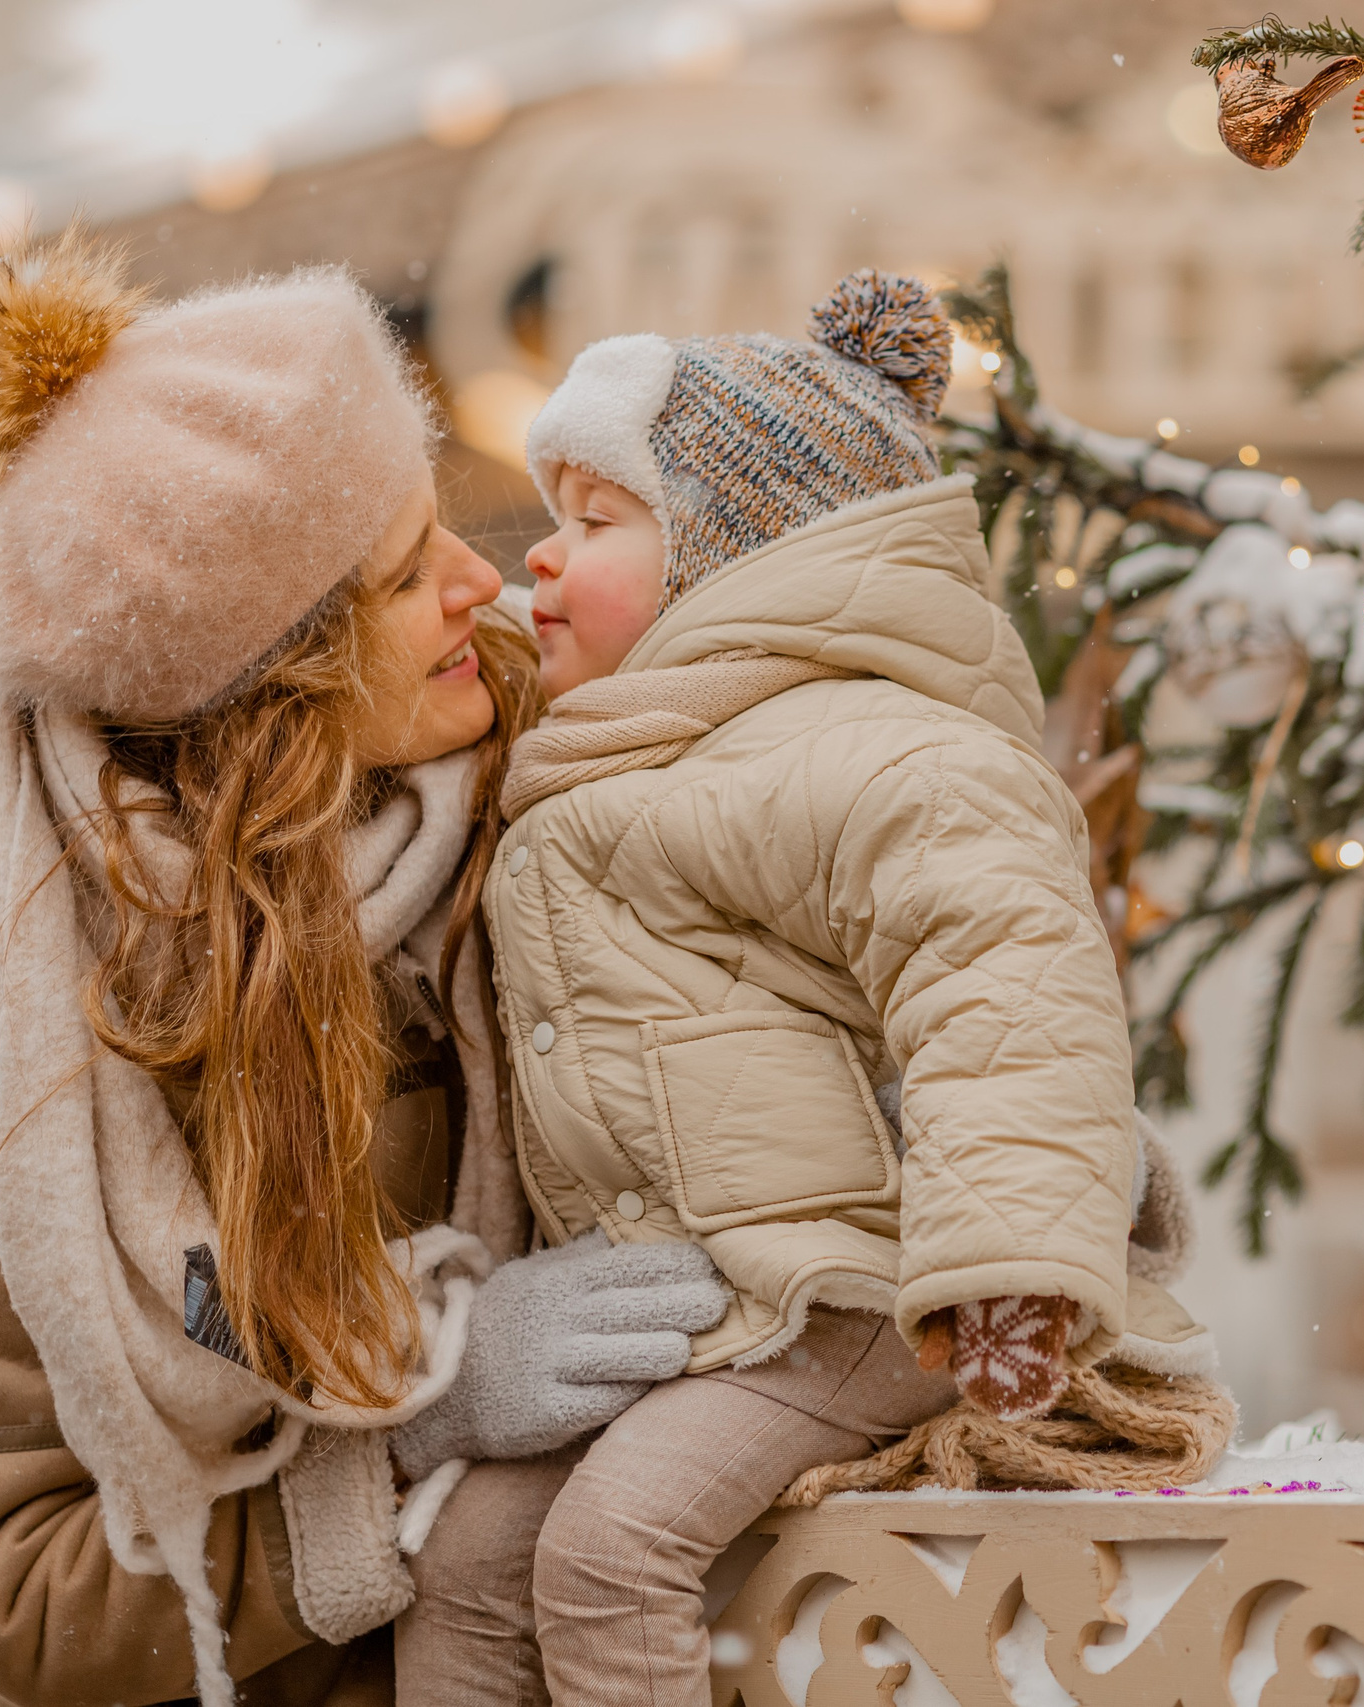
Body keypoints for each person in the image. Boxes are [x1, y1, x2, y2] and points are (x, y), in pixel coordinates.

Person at [0, 229, 725, 1707]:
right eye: (399, 578)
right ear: (262, 694)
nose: (479, 579)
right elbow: (14, 1587)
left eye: (441, 519)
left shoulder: (553, 778)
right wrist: (413, 1424)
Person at [392, 271, 1215, 1706]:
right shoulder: (646, 750)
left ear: (735, 559)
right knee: (463, 1562)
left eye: (594, 525)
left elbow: (1007, 992)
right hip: (716, 1307)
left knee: (609, 1552)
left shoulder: (870, 753)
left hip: (869, 1295)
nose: (536, 561)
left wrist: (1005, 1270)